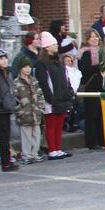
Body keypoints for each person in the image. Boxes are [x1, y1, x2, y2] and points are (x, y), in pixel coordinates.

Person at [35, 31, 75, 160]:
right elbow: (43, 82)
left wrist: (68, 91)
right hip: (51, 99)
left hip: (62, 96)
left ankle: (58, 148)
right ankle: (51, 149)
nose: (56, 46)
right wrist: (49, 97)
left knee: (59, 124)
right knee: (51, 125)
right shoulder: (42, 63)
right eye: (54, 44)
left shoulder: (59, 61)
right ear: (47, 47)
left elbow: (65, 77)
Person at [13, 54, 46, 163]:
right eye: (25, 67)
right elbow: (14, 99)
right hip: (25, 114)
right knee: (26, 135)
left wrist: (41, 107)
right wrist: (20, 111)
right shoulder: (16, 83)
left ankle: (34, 153)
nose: (27, 69)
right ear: (20, 68)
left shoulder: (34, 80)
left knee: (36, 134)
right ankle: (26, 155)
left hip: (35, 112)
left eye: (29, 67)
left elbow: (40, 94)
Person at [77, 28, 104, 149]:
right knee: (91, 115)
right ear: (87, 39)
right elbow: (85, 69)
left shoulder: (102, 52)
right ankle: (92, 142)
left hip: (101, 85)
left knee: (100, 115)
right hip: (91, 86)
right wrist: (101, 67)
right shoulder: (85, 52)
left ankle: (102, 141)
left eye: (96, 36)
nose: (95, 39)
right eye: (92, 37)